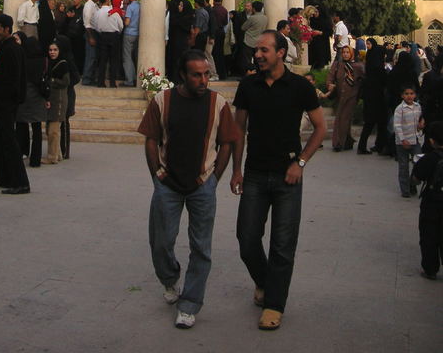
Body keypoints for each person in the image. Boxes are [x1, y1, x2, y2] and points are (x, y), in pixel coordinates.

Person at [231, 30, 326, 331]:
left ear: (281, 53)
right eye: (256, 51)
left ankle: (274, 304)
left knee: (283, 245)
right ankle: (264, 281)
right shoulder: (248, 85)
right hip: (256, 173)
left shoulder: (299, 86)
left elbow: (320, 128)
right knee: (247, 240)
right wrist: (236, 169)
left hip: (288, 176)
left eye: (264, 50)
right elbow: (238, 131)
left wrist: (300, 163)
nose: (257, 55)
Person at [137, 49, 238, 330]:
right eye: (197, 75)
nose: (203, 80)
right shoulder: (163, 100)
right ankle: (170, 279)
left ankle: (190, 303)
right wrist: (157, 173)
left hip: (202, 185)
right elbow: (150, 138)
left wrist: (215, 177)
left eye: (206, 74)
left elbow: (228, 142)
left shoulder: (218, 104)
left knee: (201, 247)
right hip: (168, 183)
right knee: (160, 240)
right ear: (183, 75)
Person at [0, 14, 30, 195]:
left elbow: (14, 78)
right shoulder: (7, 47)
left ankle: (20, 182)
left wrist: (5, 97)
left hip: (8, 101)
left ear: (8, 29)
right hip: (6, 101)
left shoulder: (11, 49)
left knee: (9, 140)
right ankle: (4, 177)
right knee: (0, 138)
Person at [412, 120, 443, 280]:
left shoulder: (430, 158)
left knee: (429, 234)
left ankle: (430, 269)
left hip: (432, 201)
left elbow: (416, 179)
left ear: (432, 141)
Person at [15, 36, 47, 167]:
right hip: (37, 97)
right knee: (37, 128)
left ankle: (21, 152)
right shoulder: (43, 61)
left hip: (23, 96)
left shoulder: (22, 60)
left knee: (21, 126)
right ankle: (35, 158)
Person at [326, 44, 364, 151]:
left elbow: (364, 78)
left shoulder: (358, 66)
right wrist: (329, 84)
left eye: (348, 52)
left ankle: (338, 143)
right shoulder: (338, 65)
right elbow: (330, 76)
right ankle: (347, 141)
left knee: (343, 118)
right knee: (342, 118)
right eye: (344, 52)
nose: (346, 54)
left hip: (352, 96)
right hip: (340, 95)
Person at [357, 38, 388, 155]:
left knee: (369, 122)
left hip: (369, 97)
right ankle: (378, 145)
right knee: (380, 122)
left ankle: (364, 145)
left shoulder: (369, 67)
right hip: (378, 99)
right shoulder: (379, 69)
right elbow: (385, 82)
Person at [42, 40, 69, 164]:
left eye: (55, 50)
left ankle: (52, 156)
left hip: (58, 99)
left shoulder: (63, 64)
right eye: (50, 50)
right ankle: (57, 154)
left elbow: (66, 82)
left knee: (53, 130)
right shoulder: (48, 63)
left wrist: (52, 81)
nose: (52, 52)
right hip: (50, 99)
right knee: (50, 129)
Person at [393, 86, 423, 198]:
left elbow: (419, 122)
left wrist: (420, 127)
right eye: (406, 93)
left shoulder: (418, 106)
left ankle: (412, 183)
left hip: (415, 140)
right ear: (402, 95)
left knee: (418, 163)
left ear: (415, 95)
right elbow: (397, 125)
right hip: (402, 142)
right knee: (403, 166)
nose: (409, 96)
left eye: (411, 93)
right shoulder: (400, 109)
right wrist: (402, 139)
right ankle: (405, 190)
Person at [96, 0, 123, 88]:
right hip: (114, 36)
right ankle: (112, 82)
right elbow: (121, 26)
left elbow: (97, 26)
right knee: (113, 60)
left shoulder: (98, 12)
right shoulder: (114, 12)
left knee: (102, 60)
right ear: (107, 0)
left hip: (102, 36)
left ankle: (100, 82)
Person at [241, 1, 268, 73]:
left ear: (254, 9)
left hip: (249, 41)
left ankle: (248, 75)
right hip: (259, 42)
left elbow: (243, 27)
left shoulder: (252, 18)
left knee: (247, 61)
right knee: (258, 60)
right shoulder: (265, 18)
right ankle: (259, 74)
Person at [82, 0, 100, 85]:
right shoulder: (88, 5)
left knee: (93, 57)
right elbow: (87, 23)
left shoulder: (94, 5)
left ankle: (91, 77)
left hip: (94, 32)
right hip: (90, 32)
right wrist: (91, 37)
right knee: (90, 57)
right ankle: (86, 79)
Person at [122, 0, 140, 86]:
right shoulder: (140, 6)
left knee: (127, 57)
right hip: (138, 34)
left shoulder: (130, 7)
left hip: (129, 33)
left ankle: (129, 80)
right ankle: (136, 78)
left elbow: (127, 22)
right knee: (136, 57)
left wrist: (123, 20)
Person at [66, 0, 84, 74]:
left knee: (79, 54)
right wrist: (69, 18)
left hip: (80, 36)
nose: (75, 0)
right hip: (70, 35)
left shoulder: (83, 9)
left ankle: (79, 71)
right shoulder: (71, 9)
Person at [211, 0, 228, 80]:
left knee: (214, 54)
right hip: (221, 32)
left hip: (214, 33)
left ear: (214, 0)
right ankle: (223, 74)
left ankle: (215, 73)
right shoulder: (224, 10)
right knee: (220, 53)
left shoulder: (212, 10)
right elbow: (226, 23)